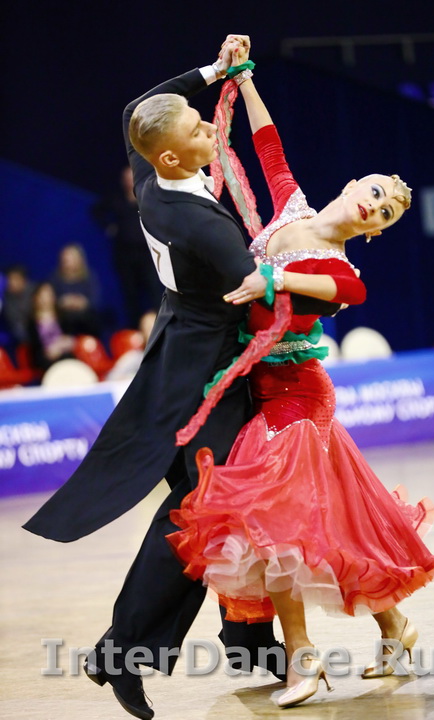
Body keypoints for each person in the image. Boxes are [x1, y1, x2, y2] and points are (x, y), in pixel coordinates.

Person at [22, 36, 340, 720]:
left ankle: (249, 644)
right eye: (198, 130)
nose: (209, 129)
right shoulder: (203, 228)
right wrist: (335, 286)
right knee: (202, 511)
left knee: (233, 509)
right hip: (207, 381)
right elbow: (261, 294)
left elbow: (138, 109)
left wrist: (212, 73)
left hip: (174, 358)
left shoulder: (150, 177)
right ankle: (121, 651)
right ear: (170, 156)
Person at [167, 43, 434, 709]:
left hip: (296, 402)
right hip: (264, 391)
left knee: (276, 529)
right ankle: (396, 627)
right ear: (352, 186)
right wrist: (244, 77)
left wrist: (270, 279)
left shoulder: (343, 271)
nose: (376, 207)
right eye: (375, 193)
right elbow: (266, 142)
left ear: (376, 232)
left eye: (387, 214)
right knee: (331, 529)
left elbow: (330, 291)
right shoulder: (291, 207)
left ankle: (304, 658)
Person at [92, 166, 165, 326]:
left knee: (154, 291)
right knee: (130, 295)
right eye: (126, 179)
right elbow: (96, 210)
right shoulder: (116, 199)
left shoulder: (148, 197)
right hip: (125, 256)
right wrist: (108, 226)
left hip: (147, 254)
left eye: (131, 178)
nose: (129, 182)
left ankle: (157, 327)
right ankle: (134, 329)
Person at [49, 243, 101, 336]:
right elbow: (49, 301)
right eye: (64, 257)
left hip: (87, 322)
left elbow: (95, 300)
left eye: (71, 257)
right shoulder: (55, 279)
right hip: (63, 321)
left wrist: (82, 302)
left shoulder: (89, 277)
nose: (66, 260)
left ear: (79, 259)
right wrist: (63, 302)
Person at [26, 282, 75, 371]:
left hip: (63, 352)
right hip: (44, 358)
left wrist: (60, 346)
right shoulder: (31, 322)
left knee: (68, 358)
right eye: (42, 296)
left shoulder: (63, 316)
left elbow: (70, 337)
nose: (45, 299)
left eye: (48, 295)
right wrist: (50, 351)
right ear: (36, 298)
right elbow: (34, 347)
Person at [2, 264, 34, 344]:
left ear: (24, 280)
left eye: (15, 279)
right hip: (21, 340)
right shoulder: (5, 298)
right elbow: (15, 325)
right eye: (9, 279)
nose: (11, 283)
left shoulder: (35, 292)